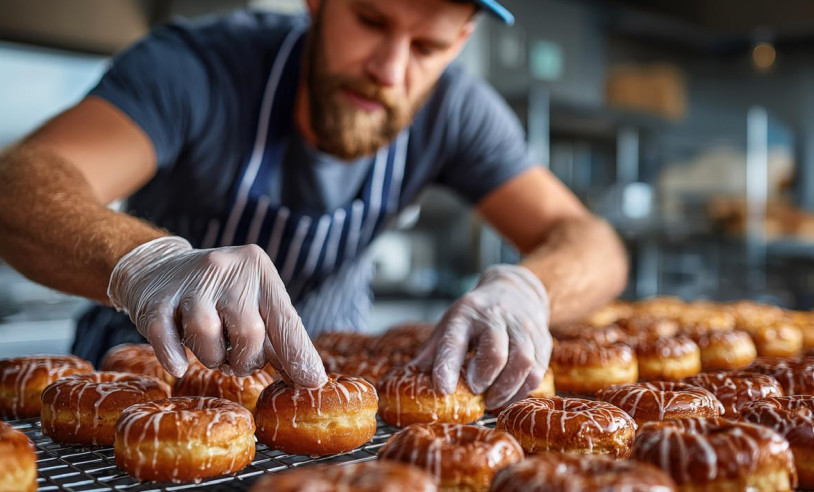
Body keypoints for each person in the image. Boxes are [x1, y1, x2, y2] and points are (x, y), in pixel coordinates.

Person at [0, 0, 627, 410]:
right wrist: (148, 262)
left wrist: (528, 289)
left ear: (461, 41)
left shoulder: (455, 109)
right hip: (137, 388)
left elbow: (590, 240)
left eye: (427, 47)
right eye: (371, 20)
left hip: (325, 394)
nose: (389, 69)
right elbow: (21, 185)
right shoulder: (198, 68)